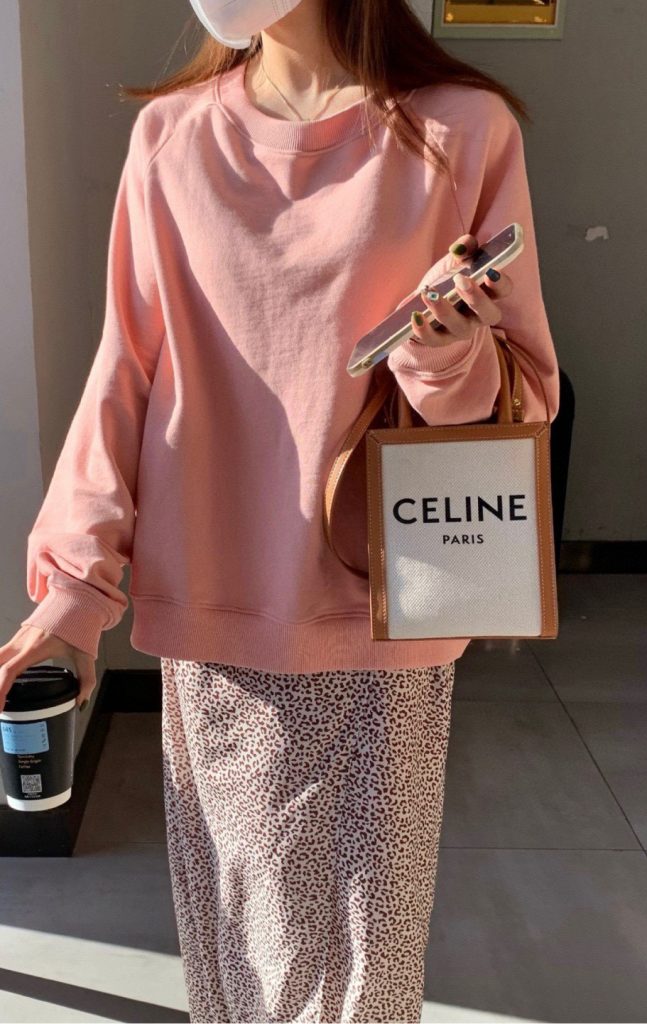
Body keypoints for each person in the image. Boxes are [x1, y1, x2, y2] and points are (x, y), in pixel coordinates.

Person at [0, 0, 560, 1019]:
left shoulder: (460, 130)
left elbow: (522, 397)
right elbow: (127, 369)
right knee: (241, 966)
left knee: (363, 982)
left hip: (383, 615)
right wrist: (73, 594)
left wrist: (442, 352)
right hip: (216, 611)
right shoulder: (172, 137)